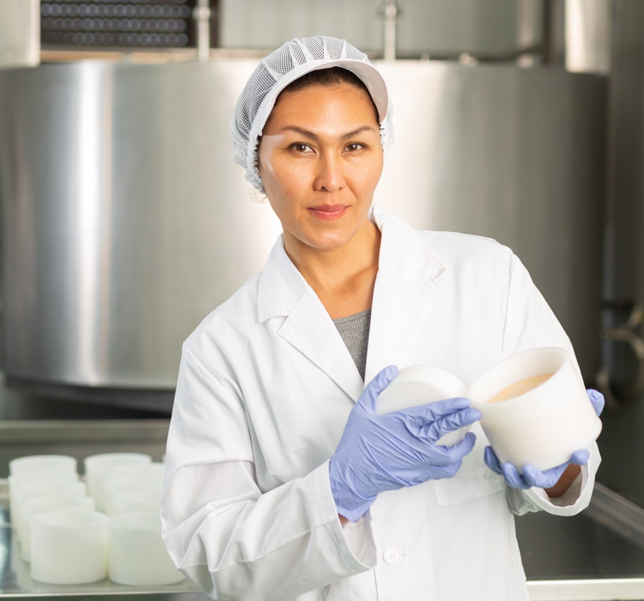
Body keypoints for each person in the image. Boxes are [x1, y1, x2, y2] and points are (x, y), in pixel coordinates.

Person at [161, 36, 603, 600]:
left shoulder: (487, 275)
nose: (331, 179)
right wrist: (338, 490)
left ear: (381, 151)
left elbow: (566, 474)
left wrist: (559, 464)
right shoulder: (222, 347)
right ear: (256, 158)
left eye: (355, 146)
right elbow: (206, 552)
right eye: (300, 148)